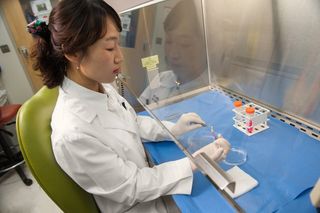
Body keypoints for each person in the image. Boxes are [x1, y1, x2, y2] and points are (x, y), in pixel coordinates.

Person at [28, 0, 230, 212]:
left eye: (118, 44)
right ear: (73, 53)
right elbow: (132, 186)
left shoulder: (99, 86)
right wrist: (193, 162)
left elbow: (130, 121)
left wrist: (172, 129)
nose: (119, 56)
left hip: (151, 181)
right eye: (109, 47)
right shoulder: (73, 133)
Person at [140, 0, 208, 105]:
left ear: (206, 46)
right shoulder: (161, 78)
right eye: (168, 41)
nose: (172, 54)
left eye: (184, 43)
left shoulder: (211, 96)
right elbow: (141, 107)